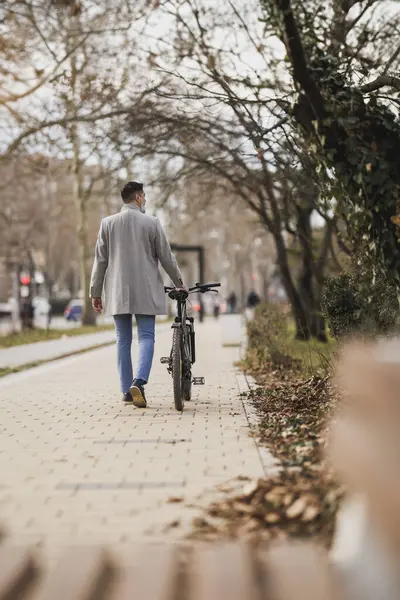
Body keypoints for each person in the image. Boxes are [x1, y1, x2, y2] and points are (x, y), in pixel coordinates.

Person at [90, 181, 186, 408]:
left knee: (123, 340)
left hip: (117, 290)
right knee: (145, 336)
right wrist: (179, 283)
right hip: (145, 288)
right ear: (138, 198)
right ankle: (139, 382)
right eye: (144, 196)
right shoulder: (151, 223)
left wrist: (95, 292)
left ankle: (126, 391)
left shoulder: (107, 224)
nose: (145, 200)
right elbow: (166, 257)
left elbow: (100, 261)